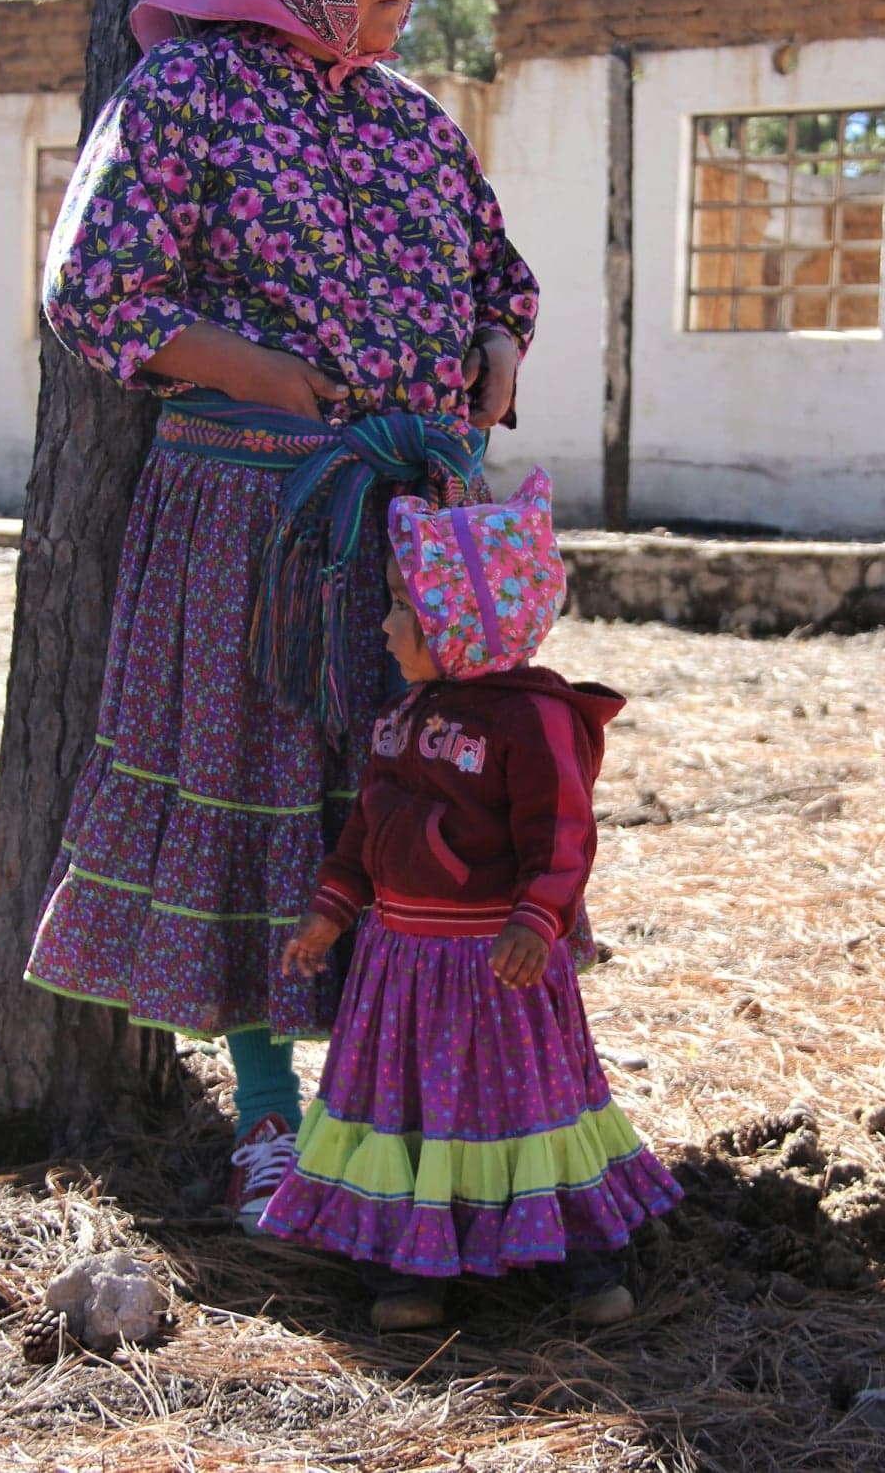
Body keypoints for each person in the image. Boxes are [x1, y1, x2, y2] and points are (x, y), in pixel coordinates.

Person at [23, 0, 557, 1230]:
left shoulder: (413, 122)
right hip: (249, 513)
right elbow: (94, 289)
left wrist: (496, 346)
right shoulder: (188, 90)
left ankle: (401, 1110)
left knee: (411, 811)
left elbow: (506, 274)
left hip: (414, 529)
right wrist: (262, 372)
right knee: (260, 796)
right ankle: (270, 1124)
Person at [259, 470, 681, 1330]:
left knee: (526, 1108)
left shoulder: (530, 721)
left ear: (459, 622)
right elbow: (363, 832)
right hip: (399, 971)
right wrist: (332, 908)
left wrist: (539, 917)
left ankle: (584, 1266)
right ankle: (405, 1274)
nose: (382, 626)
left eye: (399, 609)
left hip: (498, 974)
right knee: (406, 1109)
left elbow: (562, 834)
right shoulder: (402, 717)